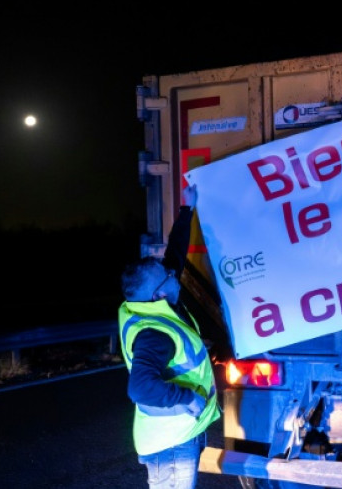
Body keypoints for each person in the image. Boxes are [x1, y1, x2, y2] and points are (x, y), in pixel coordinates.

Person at [118, 184, 221, 489]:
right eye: (168, 275)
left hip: (178, 434)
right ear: (159, 293)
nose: (174, 273)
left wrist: (186, 209)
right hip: (170, 443)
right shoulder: (154, 333)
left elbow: (174, 255)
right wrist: (188, 398)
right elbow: (140, 387)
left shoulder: (154, 303)